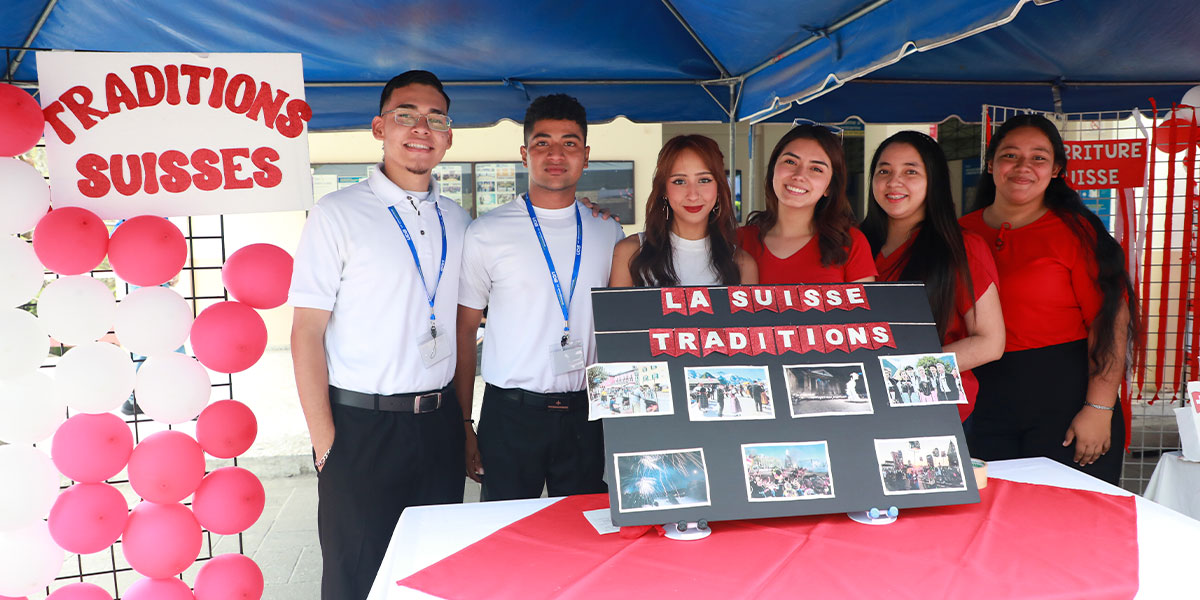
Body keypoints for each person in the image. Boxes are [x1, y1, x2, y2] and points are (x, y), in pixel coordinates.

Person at [289, 70, 468, 600]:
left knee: (432, 576)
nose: (421, 128)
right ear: (379, 128)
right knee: (355, 578)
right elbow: (305, 333)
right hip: (360, 429)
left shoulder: (459, 220)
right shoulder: (336, 215)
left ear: (449, 135)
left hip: (438, 428)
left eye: (436, 118)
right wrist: (327, 446)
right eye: (405, 115)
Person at [455, 94, 626, 501]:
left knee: (587, 535)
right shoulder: (487, 232)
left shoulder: (607, 232)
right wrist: (464, 422)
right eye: (542, 142)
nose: (555, 154)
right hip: (511, 414)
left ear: (585, 155)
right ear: (524, 153)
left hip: (587, 410)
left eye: (569, 143)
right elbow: (465, 329)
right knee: (507, 540)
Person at [960, 114, 1138, 485]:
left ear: (1056, 169)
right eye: (1010, 155)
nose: (1024, 167)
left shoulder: (1077, 232)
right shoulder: (960, 231)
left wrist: (1099, 407)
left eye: (1039, 158)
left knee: (1067, 525)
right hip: (981, 396)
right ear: (991, 164)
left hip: (1066, 397)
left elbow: (1111, 322)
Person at [860, 130, 1005, 420]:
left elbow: (990, 342)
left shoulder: (961, 247)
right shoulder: (855, 244)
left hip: (933, 406)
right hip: (865, 408)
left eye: (910, 171)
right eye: (884, 171)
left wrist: (901, 374)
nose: (893, 182)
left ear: (934, 181)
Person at [609, 134, 757, 287]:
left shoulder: (742, 264)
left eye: (704, 180)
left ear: (719, 187)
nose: (693, 195)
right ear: (664, 190)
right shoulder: (630, 253)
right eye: (679, 181)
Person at [737, 124, 876, 283]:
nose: (799, 175)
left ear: (829, 187)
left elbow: (865, 307)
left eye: (816, 169)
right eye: (790, 161)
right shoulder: (739, 240)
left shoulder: (851, 243)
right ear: (773, 170)